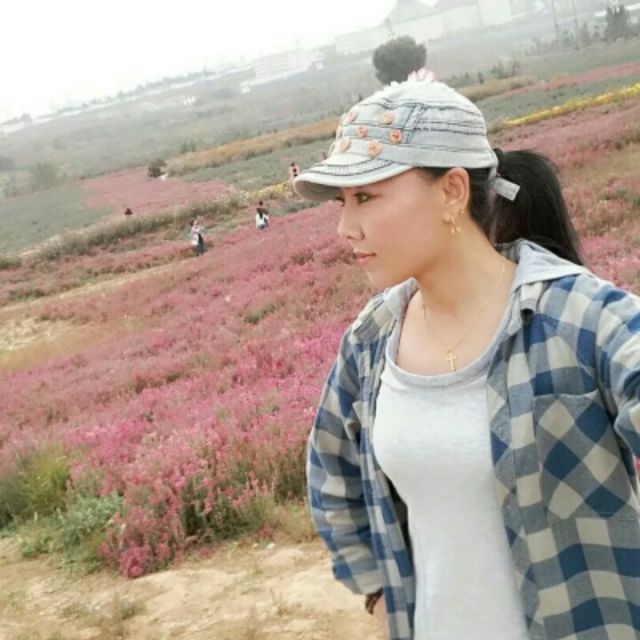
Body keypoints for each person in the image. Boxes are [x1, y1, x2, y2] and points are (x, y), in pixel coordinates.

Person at [293, 78, 640, 640]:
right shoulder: (372, 338)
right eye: (343, 202)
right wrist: (381, 596)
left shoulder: (580, 318)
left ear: (452, 191)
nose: (345, 228)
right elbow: (334, 475)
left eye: (367, 198)